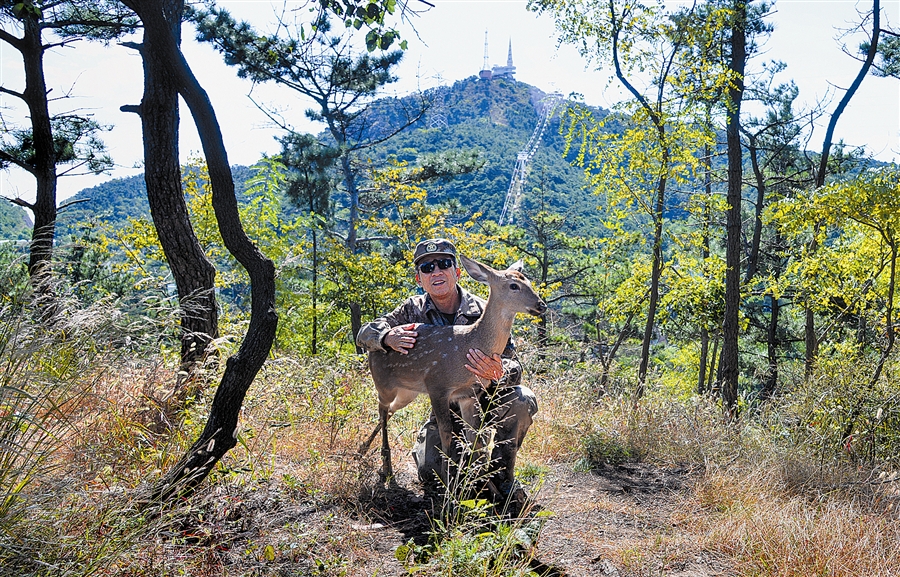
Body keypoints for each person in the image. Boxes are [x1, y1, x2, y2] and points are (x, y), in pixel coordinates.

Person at [356, 238, 538, 508]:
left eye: (444, 264)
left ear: (459, 272)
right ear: (420, 279)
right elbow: (365, 335)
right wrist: (386, 337)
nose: (436, 271)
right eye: (428, 267)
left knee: (522, 400)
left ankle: (502, 479)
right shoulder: (412, 310)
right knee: (432, 473)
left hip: (485, 396)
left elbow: (514, 364)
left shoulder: (489, 306)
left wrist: (499, 371)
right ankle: (437, 452)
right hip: (444, 406)